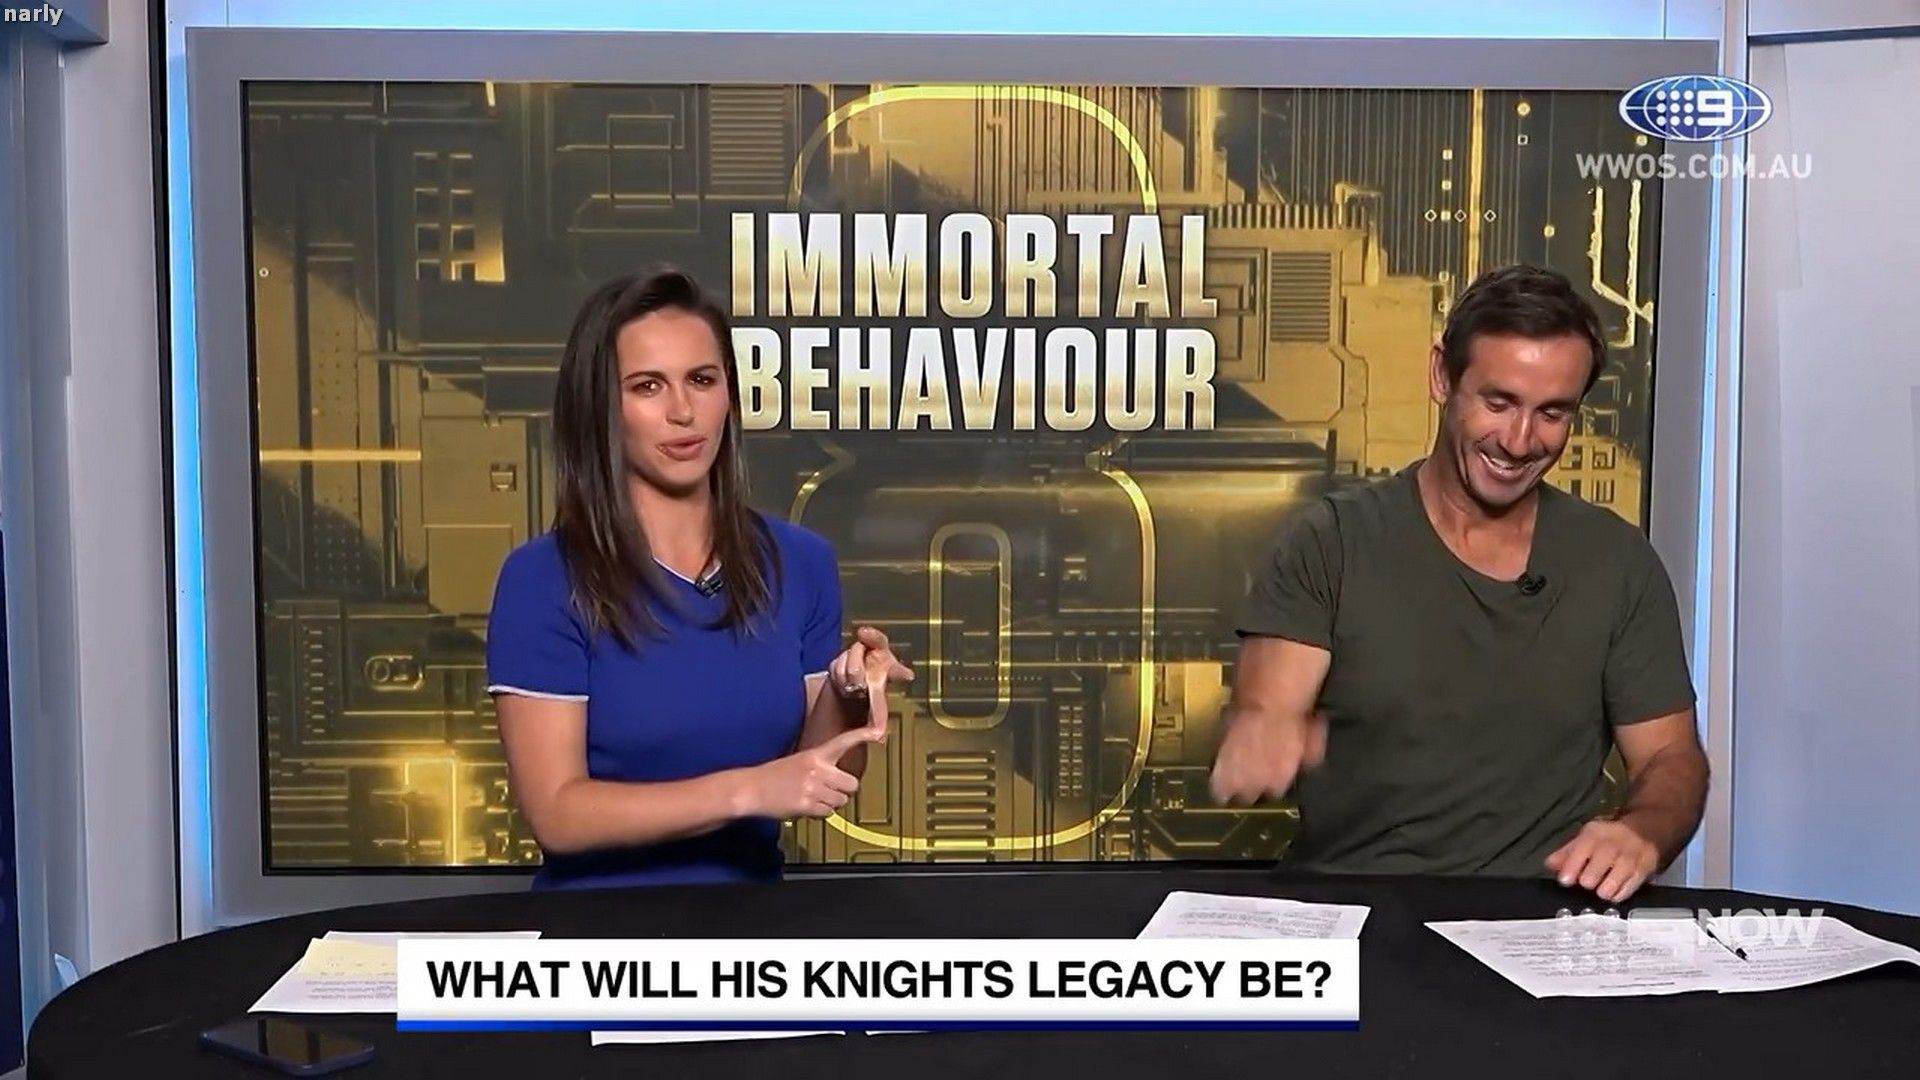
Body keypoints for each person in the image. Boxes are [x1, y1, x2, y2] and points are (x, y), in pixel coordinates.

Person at [1210, 264, 1707, 903]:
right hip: (1357, 916)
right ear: (1442, 376)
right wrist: (1263, 729)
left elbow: (1671, 759)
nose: (1519, 442)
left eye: (1552, 413)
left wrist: (1643, 831)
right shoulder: (1332, 543)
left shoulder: (1617, 562)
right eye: (1498, 403)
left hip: (1539, 925)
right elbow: (1269, 710)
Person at [486, 268, 912, 889]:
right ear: (602, 409)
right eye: (647, 386)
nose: (683, 412)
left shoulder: (800, 562)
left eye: (702, 380)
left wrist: (850, 693)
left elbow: (823, 778)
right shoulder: (543, 580)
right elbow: (558, 814)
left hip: (753, 931)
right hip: (596, 933)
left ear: (729, 395)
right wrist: (748, 790)